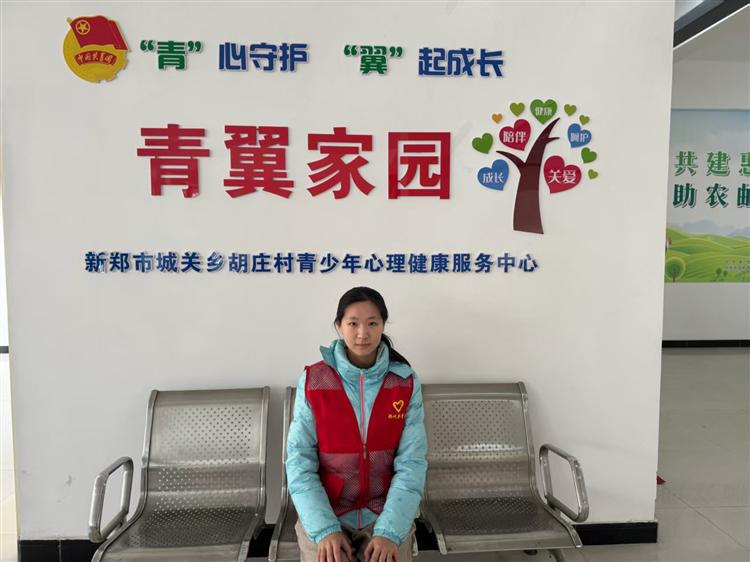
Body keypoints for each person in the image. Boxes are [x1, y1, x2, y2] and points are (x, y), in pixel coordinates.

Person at [286, 287, 428, 562]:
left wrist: (389, 532)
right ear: (339, 325)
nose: (363, 333)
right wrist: (325, 530)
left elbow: (412, 463)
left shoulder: (404, 382)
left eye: (372, 323)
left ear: (383, 325)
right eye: (353, 323)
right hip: (328, 511)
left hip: (384, 512)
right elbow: (299, 461)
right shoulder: (315, 381)